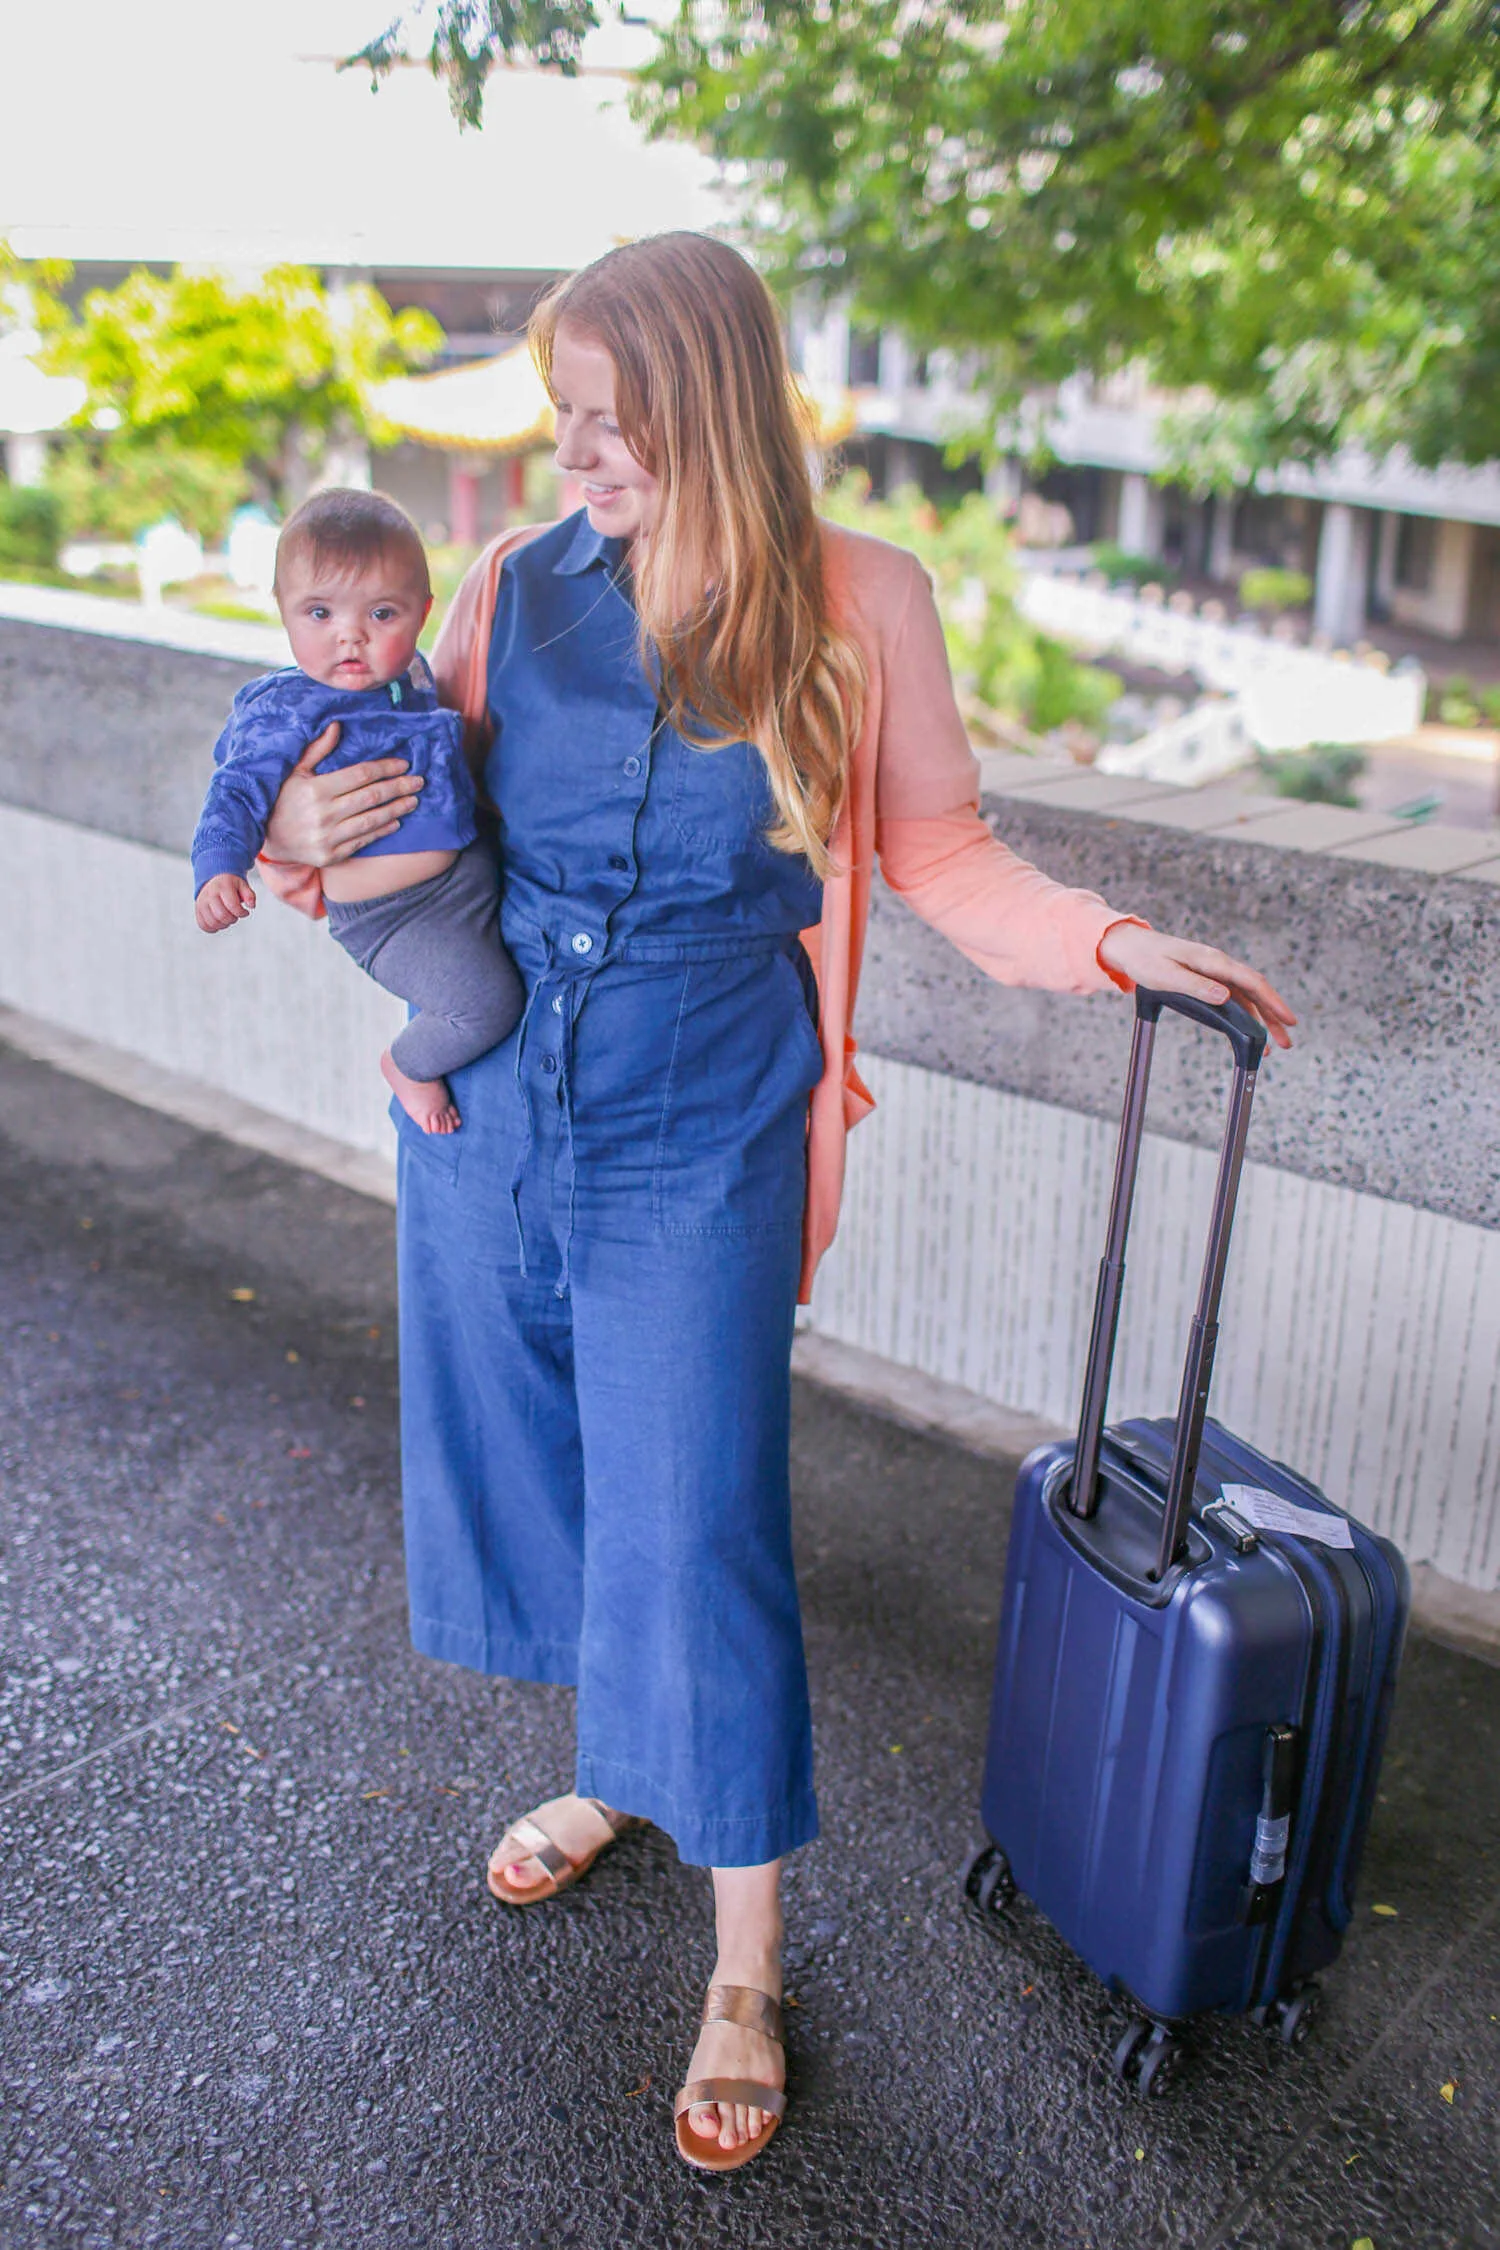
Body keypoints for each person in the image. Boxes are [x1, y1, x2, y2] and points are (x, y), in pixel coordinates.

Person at [255, 233, 1295, 2173]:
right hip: (495, 1110)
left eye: (609, 428)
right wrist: (301, 843)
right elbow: (396, 803)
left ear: (714, 408)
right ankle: (619, 1772)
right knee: (554, 1458)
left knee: (702, 1507)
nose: (575, 461)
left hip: (708, 1118)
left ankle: (747, 1963)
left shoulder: (859, 603)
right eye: (563, 424)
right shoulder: (501, 588)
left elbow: (951, 854)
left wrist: (1114, 943)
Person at [191, 488, 523, 1134]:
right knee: (485, 1004)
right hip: (396, 919)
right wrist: (218, 869)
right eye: (319, 612)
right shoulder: (287, 709)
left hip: (463, 879)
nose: (351, 635)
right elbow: (235, 793)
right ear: (282, 612)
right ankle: (408, 1066)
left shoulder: (414, 678)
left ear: (423, 613)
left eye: (382, 613)